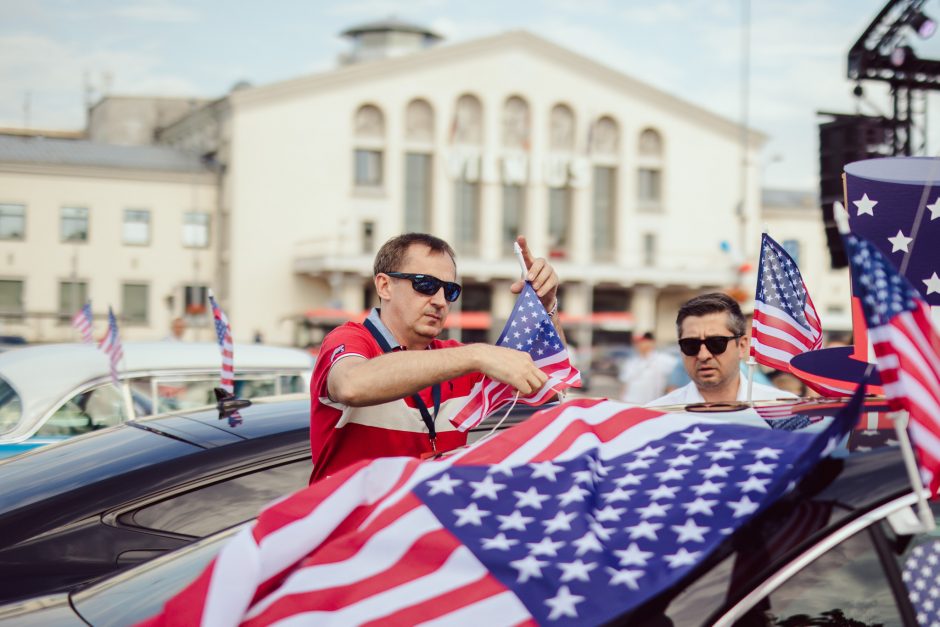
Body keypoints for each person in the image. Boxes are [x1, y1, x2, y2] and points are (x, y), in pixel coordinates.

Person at [308, 233, 563, 482]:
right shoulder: (351, 338)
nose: (440, 301)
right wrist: (476, 355)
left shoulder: (458, 357)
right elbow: (351, 384)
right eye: (425, 285)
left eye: (450, 291)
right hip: (356, 524)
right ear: (384, 286)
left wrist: (547, 307)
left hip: (424, 520)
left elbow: (552, 384)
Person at [648, 293, 796, 406]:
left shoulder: (783, 410)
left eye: (716, 343)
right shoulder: (658, 416)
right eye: (690, 345)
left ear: (742, 346)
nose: (703, 355)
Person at [618, 332, 676, 405]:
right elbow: (625, 385)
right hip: (630, 404)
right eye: (637, 342)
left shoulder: (664, 360)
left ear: (651, 342)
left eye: (642, 341)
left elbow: (674, 384)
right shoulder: (631, 362)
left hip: (651, 406)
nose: (639, 345)